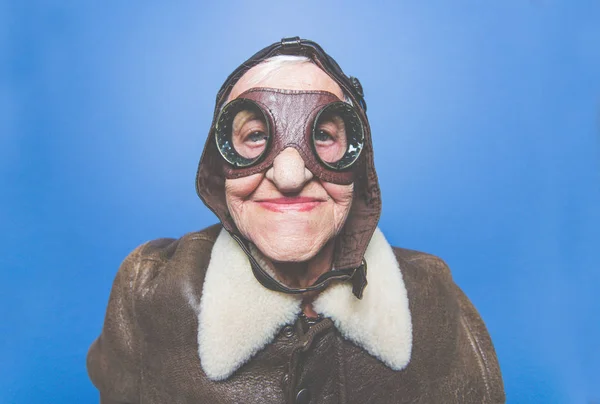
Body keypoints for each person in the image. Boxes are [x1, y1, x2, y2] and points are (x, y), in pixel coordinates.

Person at [87, 37, 505, 404]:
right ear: (220, 165)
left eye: (323, 136)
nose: (290, 176)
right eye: (255, 136)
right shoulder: (149, 292)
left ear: (358, 162)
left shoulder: (431, 299)